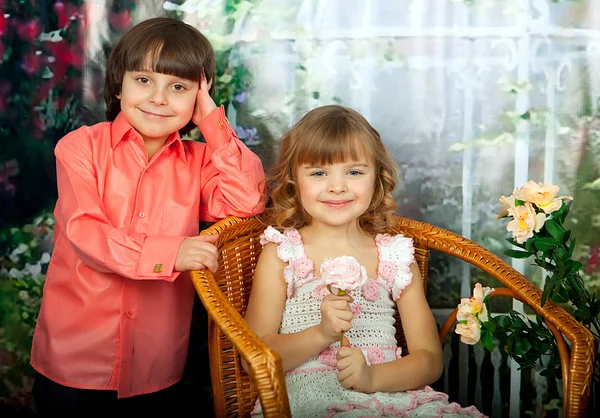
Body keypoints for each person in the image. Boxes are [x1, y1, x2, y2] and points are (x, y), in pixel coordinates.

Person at [30, 17, 265, 416]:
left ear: (199, 94)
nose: (159, 98)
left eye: (179, 87)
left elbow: (247, 201)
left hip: (155, 368)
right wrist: (172, 253)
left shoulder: (201, 161)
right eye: (144, 80)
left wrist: (212, 121)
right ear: (119, 82)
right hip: (75, 363)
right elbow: (84, 232)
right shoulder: (81, 147)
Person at [244, 105, 485, 417]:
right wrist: (322, 333)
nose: (337, 186)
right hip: (312, 402)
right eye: (318, 173)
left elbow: (429, 360)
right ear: (294, 180)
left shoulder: (394, 256)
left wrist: (372, 377)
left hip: (390, 397)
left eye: (354, 172)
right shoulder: (283, 253)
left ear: (377, 177)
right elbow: (253, 360)